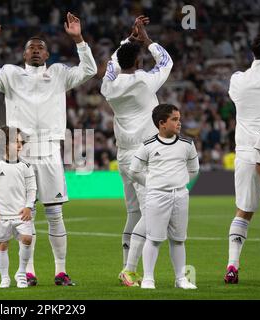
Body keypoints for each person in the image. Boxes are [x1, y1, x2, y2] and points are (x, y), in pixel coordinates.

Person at [0, 12, 97, 286]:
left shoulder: (59, 74)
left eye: (41, 48)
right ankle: (26, 272)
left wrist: (79, 40)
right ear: (24, 54)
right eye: (32, 48)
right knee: (22, 214)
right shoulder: (10, 74)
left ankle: (60, 271)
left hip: (50, 149)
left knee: (54, 213)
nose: (37, 51)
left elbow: (89, 70)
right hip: (20, 153)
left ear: (48, 54)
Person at [100, 16, 173, 286]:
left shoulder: (108, 87)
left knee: (133, 213)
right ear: (139, 62)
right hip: (146, 155)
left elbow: (111, 64)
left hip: (124, 154)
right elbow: (166, 62)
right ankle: (129, 269)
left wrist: (129, 40)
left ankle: (125, 266)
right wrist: (147, 39)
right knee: (150, 213)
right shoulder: (145, 81)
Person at [129, 104, 199, 289]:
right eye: (174, 119)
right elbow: (134, 171)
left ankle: (181, 279)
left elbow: (194, 170)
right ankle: (148, 279)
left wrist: (181, 184)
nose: (179, 123)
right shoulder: (148, 146)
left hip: (181, 196)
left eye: (179, 119)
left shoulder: (187, 144)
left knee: (178, 239)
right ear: (162, 123)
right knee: (154, 239)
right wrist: (153, 184)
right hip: (156, 197)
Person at [224, 33, 260, 284]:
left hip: (247, 152)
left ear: (252, 53)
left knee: (243, 211)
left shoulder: (238, 80)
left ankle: (232, 265)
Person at [0, 126, 37, 288]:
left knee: (27, 239)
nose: (19, 145)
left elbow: (32, 188)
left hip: (21, 213)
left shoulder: (26, 166)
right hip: (2, 213)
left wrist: (28, 206)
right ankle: (4, 277)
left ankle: (21, 272)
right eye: (15, 142)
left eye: (21, 142)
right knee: (3, 243)